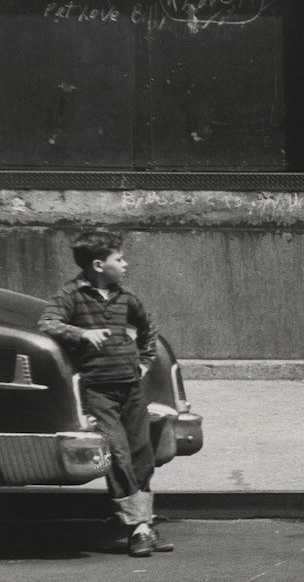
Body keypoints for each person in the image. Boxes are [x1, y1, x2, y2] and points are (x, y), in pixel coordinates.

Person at [37, 231, 172, 557]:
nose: (125, 264)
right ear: (99, 264)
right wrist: (82, 333)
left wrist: (143, 362)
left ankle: (140, 527)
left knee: (141, 455)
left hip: (131, 389)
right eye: (119, 259)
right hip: (99, 391)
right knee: (118, 454)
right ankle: (141, 528)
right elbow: (47, 323)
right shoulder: (72, 294)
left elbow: (148, 327)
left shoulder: (126, 296)